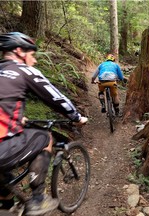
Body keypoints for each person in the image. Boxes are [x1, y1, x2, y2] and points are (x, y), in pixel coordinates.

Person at [0, 32, 88, 215]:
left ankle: (6, 204)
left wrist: (15, 118)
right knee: (45, 138)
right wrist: (77, 117)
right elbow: (56, 97)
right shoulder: (23, 70)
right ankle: (38, 200)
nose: (35, 61)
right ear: (19, 52)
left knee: (5, 177)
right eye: (32, 55)